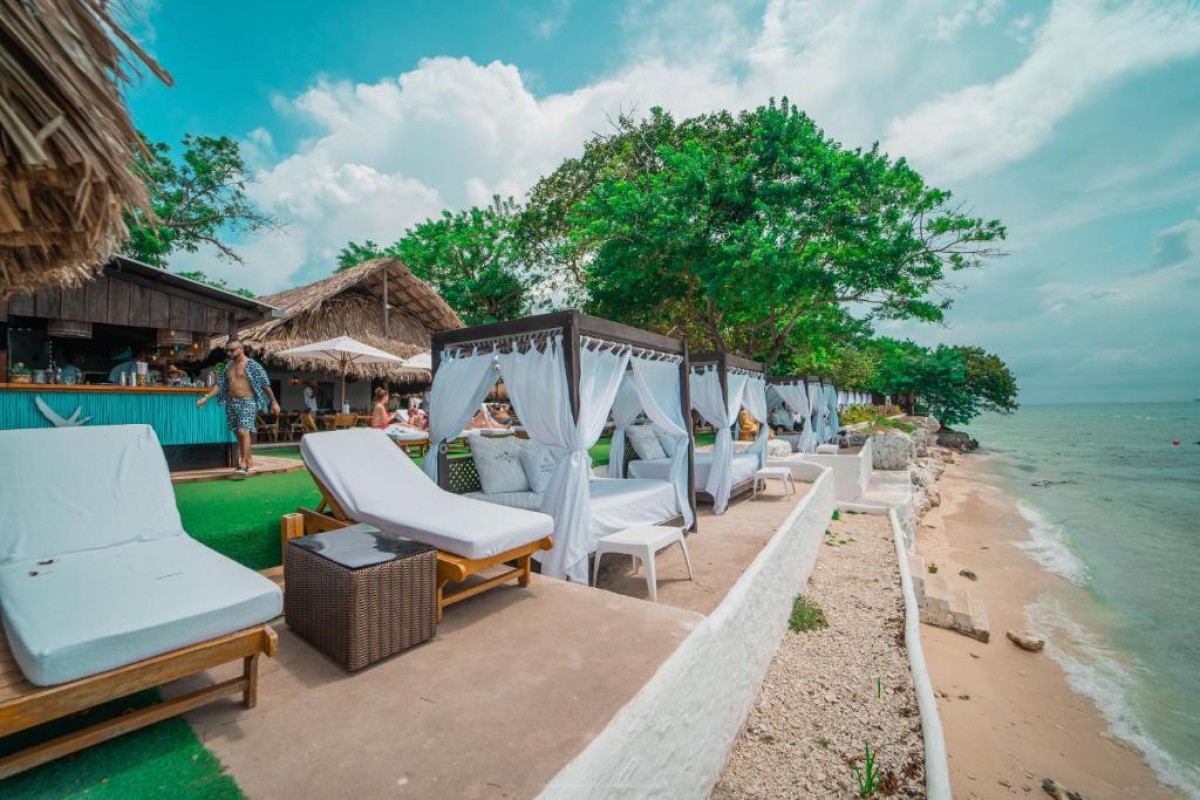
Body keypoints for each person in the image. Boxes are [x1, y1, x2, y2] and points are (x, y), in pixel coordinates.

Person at [196, 339, 279, 479]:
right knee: (238, 434)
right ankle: (250, 461)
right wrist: (206, 397)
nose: (229, 353)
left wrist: (274, 402)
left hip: (248, 402)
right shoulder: (228, 366)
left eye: (232, 350)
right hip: (231, 403)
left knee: (243, 431)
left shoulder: (252, 365)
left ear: (241, 348)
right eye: (227, 350)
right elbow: (220, 385)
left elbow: (265, 385)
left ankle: (242, 464)